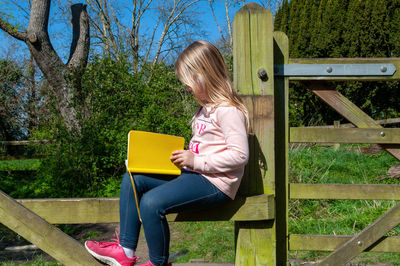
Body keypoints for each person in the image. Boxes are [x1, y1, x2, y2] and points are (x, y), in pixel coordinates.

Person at [85, 40, 249, 266]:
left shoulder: (229, 111)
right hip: (195, 174)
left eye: (189, 83)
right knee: (133, 178)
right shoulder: (203, 110)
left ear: (205, 75)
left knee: (152, 203)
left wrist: (196, 160)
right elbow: (200, 149)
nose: (187, 89)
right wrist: (178, 159)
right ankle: (126, 250)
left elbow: (240, 155)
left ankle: (158, 263)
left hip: (216, 182)